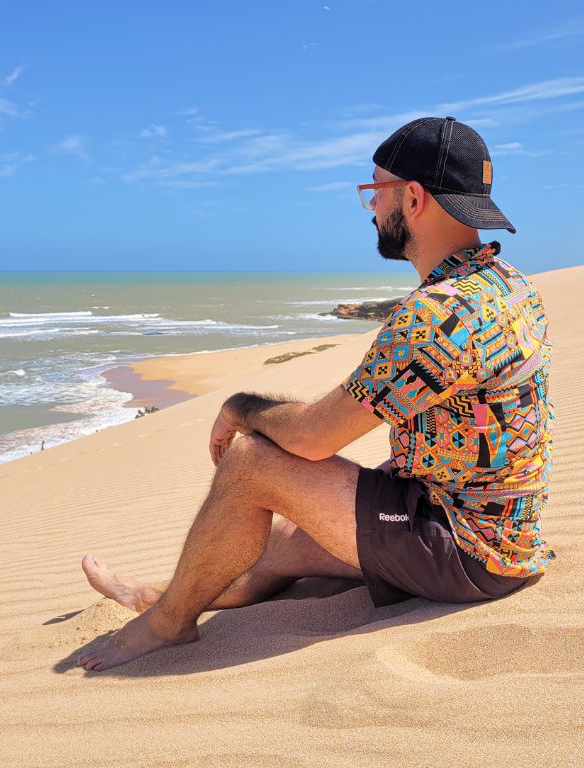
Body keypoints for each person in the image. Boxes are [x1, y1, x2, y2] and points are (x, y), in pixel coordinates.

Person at [76, 116, 555, 672]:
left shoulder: (436, 316)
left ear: (413, 198)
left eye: (375, 191)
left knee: (251, 463)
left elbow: (311, 438)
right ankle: (156, 596)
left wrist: (240, 408)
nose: (372, 208)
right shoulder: (510, 285)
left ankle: (167, 624)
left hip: (465, 550)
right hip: (499, 530)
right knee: (286, 536)